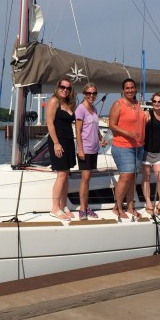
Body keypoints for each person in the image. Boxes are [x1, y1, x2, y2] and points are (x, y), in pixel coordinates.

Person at [108, 78, 145, 222]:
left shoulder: (137, 104)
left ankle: (130, 207)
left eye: (132, 87)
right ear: (123, 90)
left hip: (138, 147)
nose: (130, 90)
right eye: (127, 88)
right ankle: (117, 207)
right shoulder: (118, 104)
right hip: (122, 146)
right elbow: (112, 125)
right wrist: (127, 133)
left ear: (135, 89)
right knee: (126, 176)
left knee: (132, 178)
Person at [46, 78, 77, 220]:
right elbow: (50, 123)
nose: (65, 90)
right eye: (62, 87)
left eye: (68, 88)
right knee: (61, 175)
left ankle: (64, 205)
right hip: (58, 142)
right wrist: (56, 143)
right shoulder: (54, 101)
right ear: (57, 87)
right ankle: (55, 208)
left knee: (66, 175)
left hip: (69, 141)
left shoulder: (69, 103)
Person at [75, 82, 106, 220]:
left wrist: (101, 138)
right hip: (85, 149)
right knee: (85, 179)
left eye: (94, 93)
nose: (92, 95)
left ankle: (86, 206)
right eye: (89, 93)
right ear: (84, 94)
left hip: (94, 149)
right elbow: (78, 130)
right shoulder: (80, 109)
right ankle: (82, 209)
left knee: (89, 179)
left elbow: (95, 127)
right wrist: (80, 149)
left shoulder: (94, 109)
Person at [142, 92, 160, 216]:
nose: (157, 104)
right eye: (155, 101)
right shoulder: (147, 114)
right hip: (146, 151)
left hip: (159, 152)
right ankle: (148, 201)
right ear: (152, 102)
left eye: (159, 102)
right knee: (146, 178)